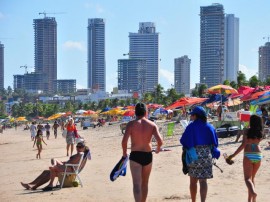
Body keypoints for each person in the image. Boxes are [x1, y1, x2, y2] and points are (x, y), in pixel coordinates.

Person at [122, 102, 163, 202]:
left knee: (136, 184)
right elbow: (160, 141)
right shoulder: (152, 124)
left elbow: (124, 141)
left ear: (135, 112)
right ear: (146, 112)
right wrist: (157, 149)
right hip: (147, 155)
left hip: (135, 155)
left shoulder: (131, 124)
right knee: (145, 183)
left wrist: (124, 153)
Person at [180, 106, 219, 202]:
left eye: (192, 115)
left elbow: (183, 141)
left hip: (193, 156)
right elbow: (215, 143)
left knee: (193, 181)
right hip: (206, 156)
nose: (191, 117)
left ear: (196, 116)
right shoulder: (210, 127)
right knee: (203, 181)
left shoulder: (191, 126)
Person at [20, 142, 88, 191]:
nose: (78, 148)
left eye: (80, 147)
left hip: (70, 170)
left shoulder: (80, 154)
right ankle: (31, 184)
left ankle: (40, 186)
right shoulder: (80, 154)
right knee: (46, 171)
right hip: (68, 167)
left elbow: (72, 163)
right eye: (77, 147)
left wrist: (64, 163)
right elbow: (72, 162)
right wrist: (62, 163)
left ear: (83, 148)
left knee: (51, 171)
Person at [226, 115, 263, 202]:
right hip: (258, 154)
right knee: (252, 179)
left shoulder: (246, 131)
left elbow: (243, 145)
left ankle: (253, 193)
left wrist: (233, 155)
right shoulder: (260, 132)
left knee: (247, 179)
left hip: (248, 155)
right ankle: (251, 200)